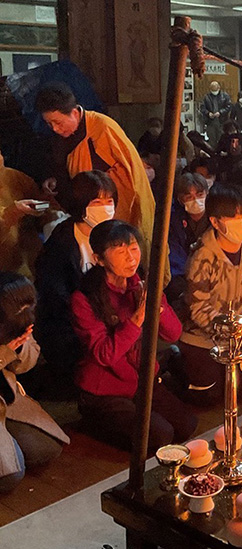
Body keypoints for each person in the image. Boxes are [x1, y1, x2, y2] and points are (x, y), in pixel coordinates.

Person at [71, 220, 196, 451]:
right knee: (160, 436)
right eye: (120, 251)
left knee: (186, 425)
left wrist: (156, 305)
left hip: (142, 381)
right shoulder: (84, 298)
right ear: (98, 259)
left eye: (134, 248)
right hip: (106, 391)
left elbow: (173, 333)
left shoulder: (139, 285)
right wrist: (137, 319)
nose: (131, 258)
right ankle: (92, 420)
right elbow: (105, 354)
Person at [180, 184, 242, 406]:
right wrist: (234, 330)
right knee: (207, 396)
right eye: (234, 217)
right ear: (215, 221)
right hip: (202, 336)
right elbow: (199, 310)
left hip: (238, 337)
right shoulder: (202, 257)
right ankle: (177, 361)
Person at [36, 83, 155, 252]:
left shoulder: (102, 129)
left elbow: (128, 177)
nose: (55, 128)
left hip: (114, 215)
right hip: (84, 218)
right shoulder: (62, 137)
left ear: (75, 113)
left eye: (57, 122)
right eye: (49, 124)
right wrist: (54, 180)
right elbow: (63, 167)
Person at [33, 170, 117, 395]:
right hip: (73, 325)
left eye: (110, 201)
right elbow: (54, 297)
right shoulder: (61, 244)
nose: (106, 208)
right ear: (81, 204)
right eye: (97, 202)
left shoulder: (116, 234)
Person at [0, 273, 69, 493]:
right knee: (11, 476)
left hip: (7, 398)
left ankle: (11, 443)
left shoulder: (17, 315)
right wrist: (4, 352)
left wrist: (18, 347)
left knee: (47, 449)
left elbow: (28, 362)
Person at [0, 148, 47, 278]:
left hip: (32, 258)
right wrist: (14, 211)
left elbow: (45, 205)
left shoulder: (15, 177)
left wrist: (46, 198)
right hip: (6, 270)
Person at [166, 173, 210, 310]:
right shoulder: (174, 220)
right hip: (183, 273)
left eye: (199, 194)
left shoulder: (215, 217)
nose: (195, 200)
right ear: (180, 199)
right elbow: (173, 252)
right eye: (189, 197)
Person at [200, 81, 232, 148]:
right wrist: (208, 113)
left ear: (219, 88)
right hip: (210, 122)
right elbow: (202, 108)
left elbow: (229, 106)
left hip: (222, 122)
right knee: (212, 141)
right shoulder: (206, 97)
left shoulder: (225, 96)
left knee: (223, 140)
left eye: (215, 90)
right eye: (212, 90)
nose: (214, 91)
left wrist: (220, 112)